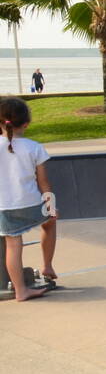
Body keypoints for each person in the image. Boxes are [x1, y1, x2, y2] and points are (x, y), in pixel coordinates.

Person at [0, 97, 58, 301]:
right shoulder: (35, 148)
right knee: (49, 224)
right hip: (32, 205)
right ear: (26, 124)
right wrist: (51, 207)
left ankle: (20, 290)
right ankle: (47, 266)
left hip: (5, 207)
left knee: (13, 245)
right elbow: (44, 182)